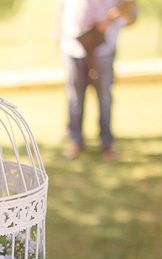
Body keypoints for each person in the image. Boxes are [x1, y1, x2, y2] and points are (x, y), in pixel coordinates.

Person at [56, 0, 137, 160]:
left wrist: (110, 18)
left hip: (103, 48)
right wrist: (56, 33)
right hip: (72, 45)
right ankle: (76, 140)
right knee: (75, 97)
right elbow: (61, 6)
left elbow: (132, 8)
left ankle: (107, 142)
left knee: (104, 96)